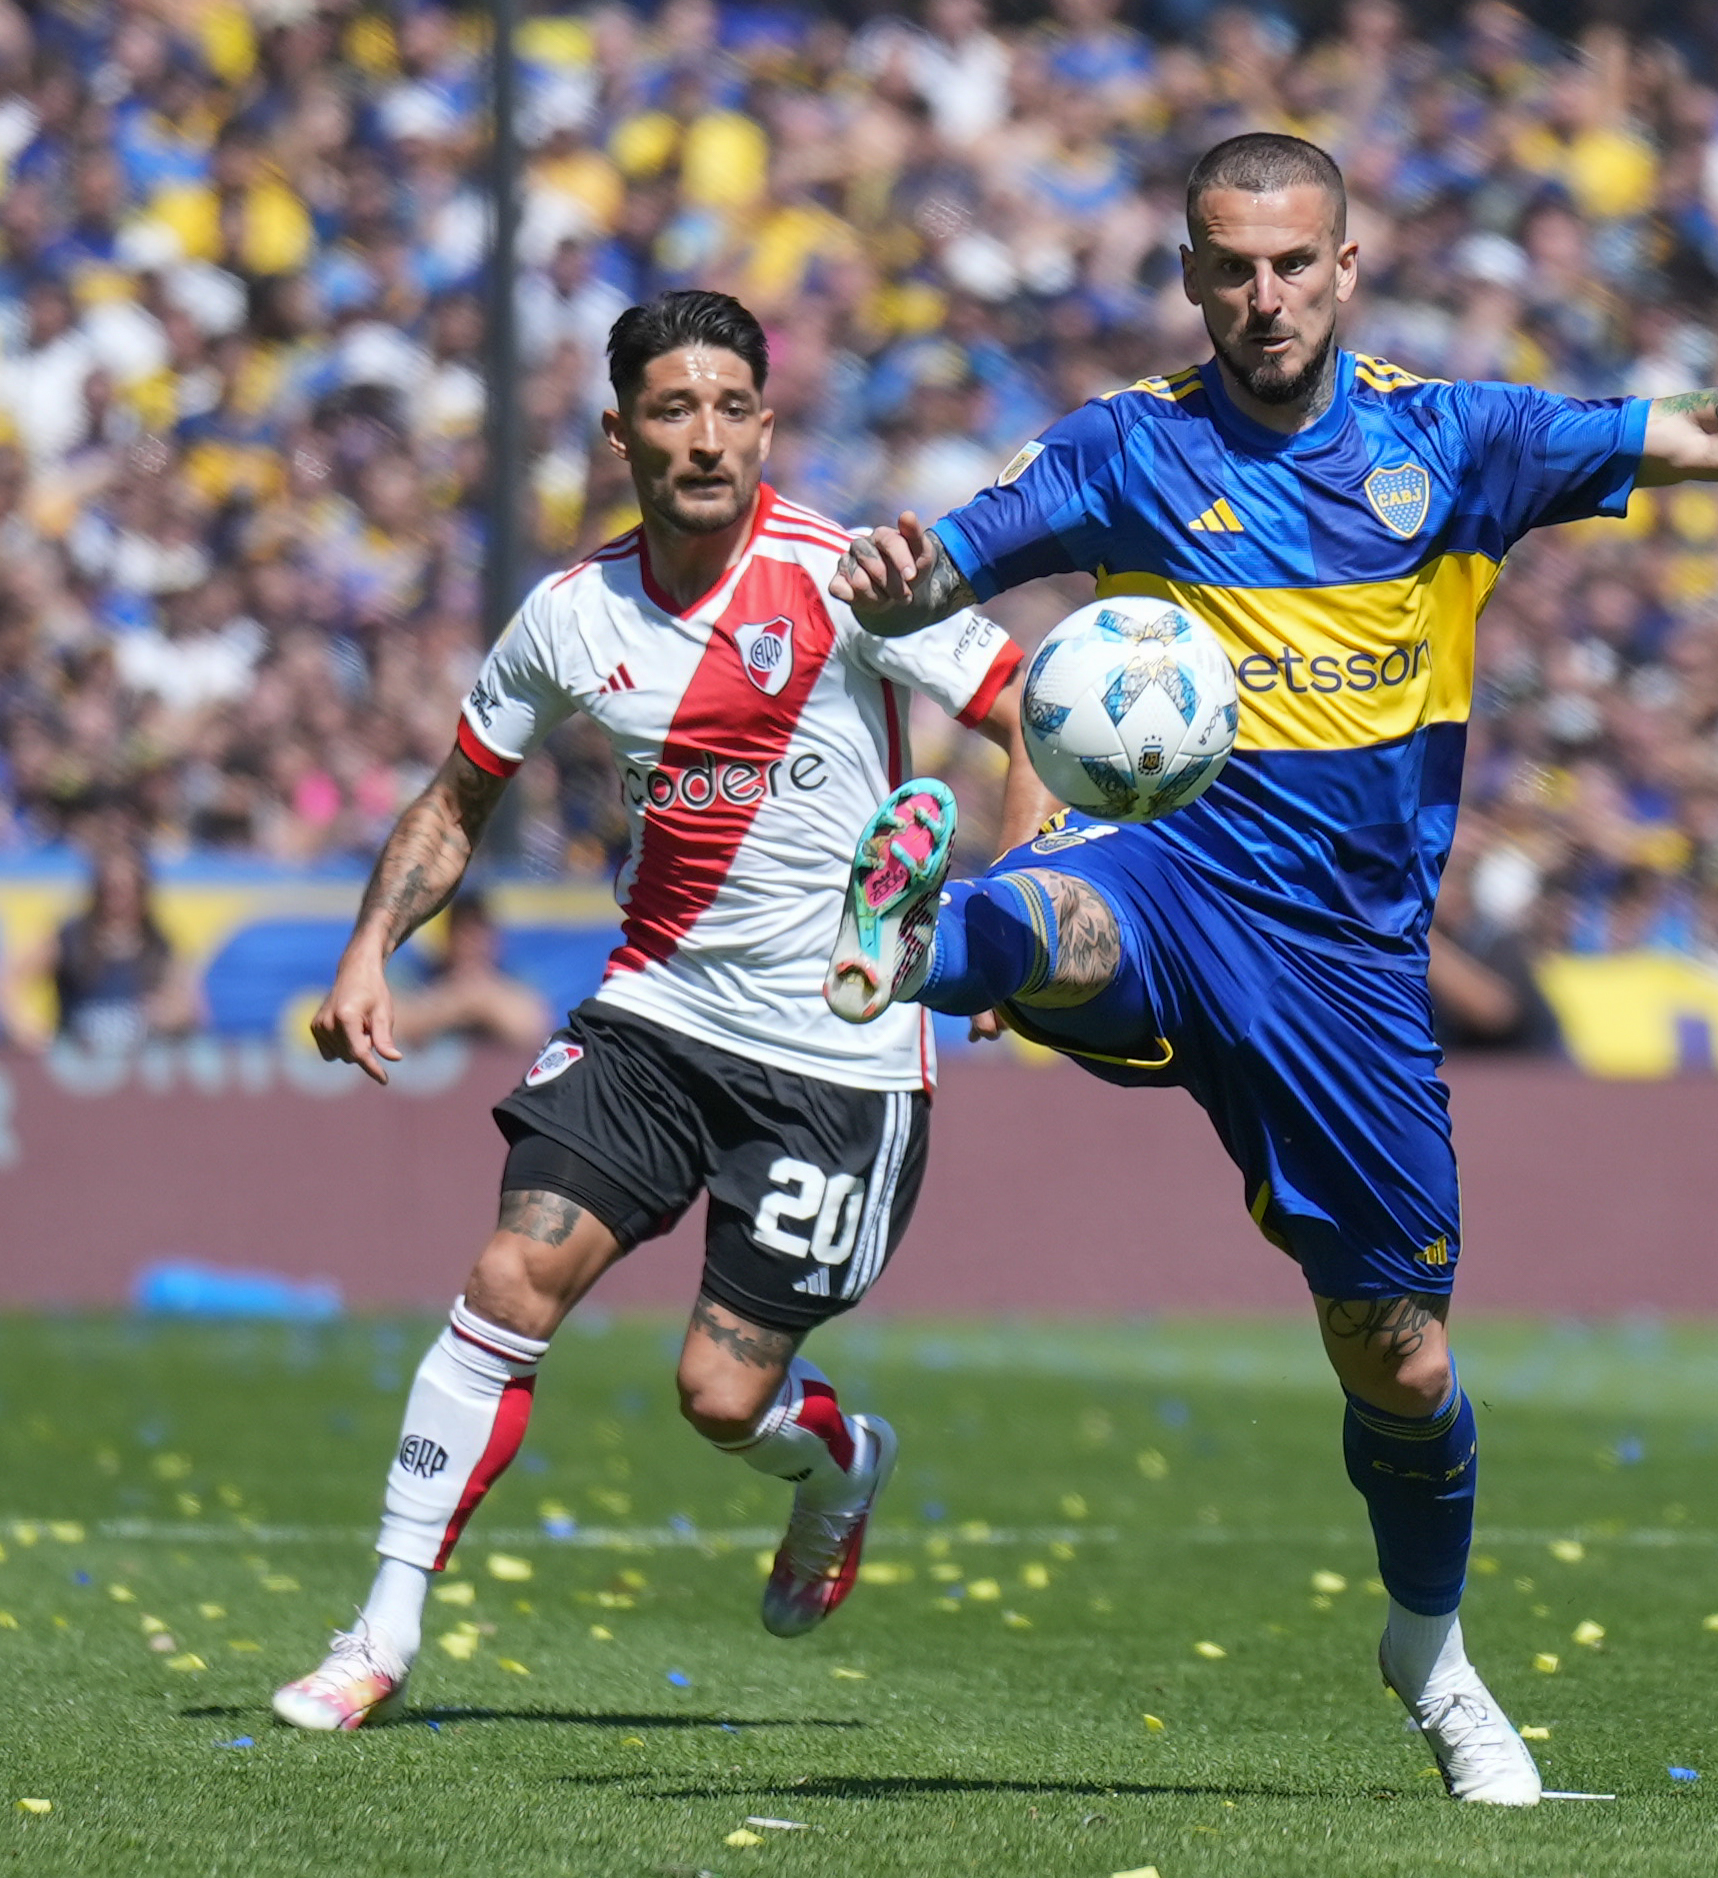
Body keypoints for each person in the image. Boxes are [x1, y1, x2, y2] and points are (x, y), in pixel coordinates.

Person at [823, 132, 1718, 1803]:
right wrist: (910, 571)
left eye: (1294, 263)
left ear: (1348, 268)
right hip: (1177, 878)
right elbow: (960, 555)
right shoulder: (1127, 449)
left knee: (1402, 1358)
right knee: (1070, 920)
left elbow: (1715, 430)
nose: (1263, 294)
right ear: (1190, 278)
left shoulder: (1453, 440)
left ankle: (1429, 1644)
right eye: (1231, 266)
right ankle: (914, 930)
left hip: (1350, 970)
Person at [271, 289, 1050, 1731]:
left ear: (766, 421)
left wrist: (1012, 922)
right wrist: (371, 943)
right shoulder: (570, 616)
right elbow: (458, 799)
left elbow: (1018, 715)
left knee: (717, 1395)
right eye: (676, 410)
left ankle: (839, 1462)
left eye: (733, 408)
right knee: (510, 1280)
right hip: (654, 1016)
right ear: (620, 429)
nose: (707, 439)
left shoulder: (850, 577)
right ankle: (378, 1631)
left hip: (840, 1054)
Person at [0, 833, 201, 1051]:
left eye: (127, 889)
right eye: (110, 888)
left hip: (138, 1066)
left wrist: (168, 1014)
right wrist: (27, 1029)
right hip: (75, 1066)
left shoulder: (159, 944)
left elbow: (188, 1004)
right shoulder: (70, 937)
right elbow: (3, 980)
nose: (119, 899)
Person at [391, 891, 553, 1051]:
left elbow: (537, 1031)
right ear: (449, 938)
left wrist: (481, 999)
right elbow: (394, 1026)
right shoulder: (421, 974)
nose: (472, 945)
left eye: (479, 935)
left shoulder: (516, 976)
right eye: (464, 934)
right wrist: (455, 1002)